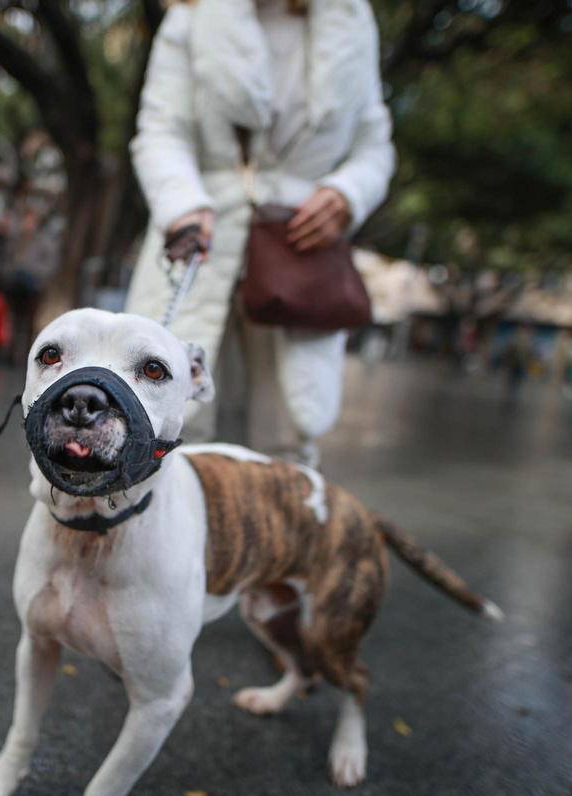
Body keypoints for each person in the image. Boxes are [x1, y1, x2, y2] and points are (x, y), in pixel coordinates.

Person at [124, 0, 395, 465]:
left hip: (299, 249)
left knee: (289, 430)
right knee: (177, 420)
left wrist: (347, 195)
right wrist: (183, 205)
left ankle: (284, 534)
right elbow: (160, 131)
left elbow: (375, 146)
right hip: (202, 240)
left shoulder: (351, 20)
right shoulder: (193, 16)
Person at [0, 203, 59, 361]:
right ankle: (10, 352)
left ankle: (27, 353)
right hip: (15, 286)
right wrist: (11, 274)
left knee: (29, 323)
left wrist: (34, 273)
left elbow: (50, 264)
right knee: (12, 319)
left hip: (34, 287)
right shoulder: (16, 240)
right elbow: (5, 260)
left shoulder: (43, 241)